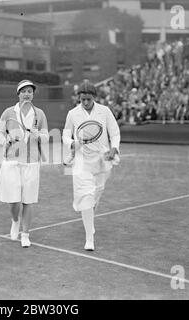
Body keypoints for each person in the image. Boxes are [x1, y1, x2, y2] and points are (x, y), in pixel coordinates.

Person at [62, 80, 120, 251]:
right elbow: (65, 135)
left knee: (96, 193)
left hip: (102, 160)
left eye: (88, 99)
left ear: (94, 97)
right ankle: (89, 238)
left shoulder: (105, 111)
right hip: (81, 162)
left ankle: (90, 220)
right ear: (79, 98)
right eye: (82, 99)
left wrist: (114, 148)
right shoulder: (73, 114)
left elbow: (114, 132)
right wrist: (72, 143)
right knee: (86, 196)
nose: (85, 102)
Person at [0, 80, 49, 248]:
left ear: (33, 94)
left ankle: (25, 234)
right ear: (18, 94)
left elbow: (46, 137)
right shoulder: (8, 113)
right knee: (13, 200)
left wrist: (37, 134)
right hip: (12, 161)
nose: (27, 94)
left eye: (30, 91)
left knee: (28, 200)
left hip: (32, 162)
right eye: (24, 91)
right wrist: (5, 141)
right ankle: (15, 220)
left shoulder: (39, 114)